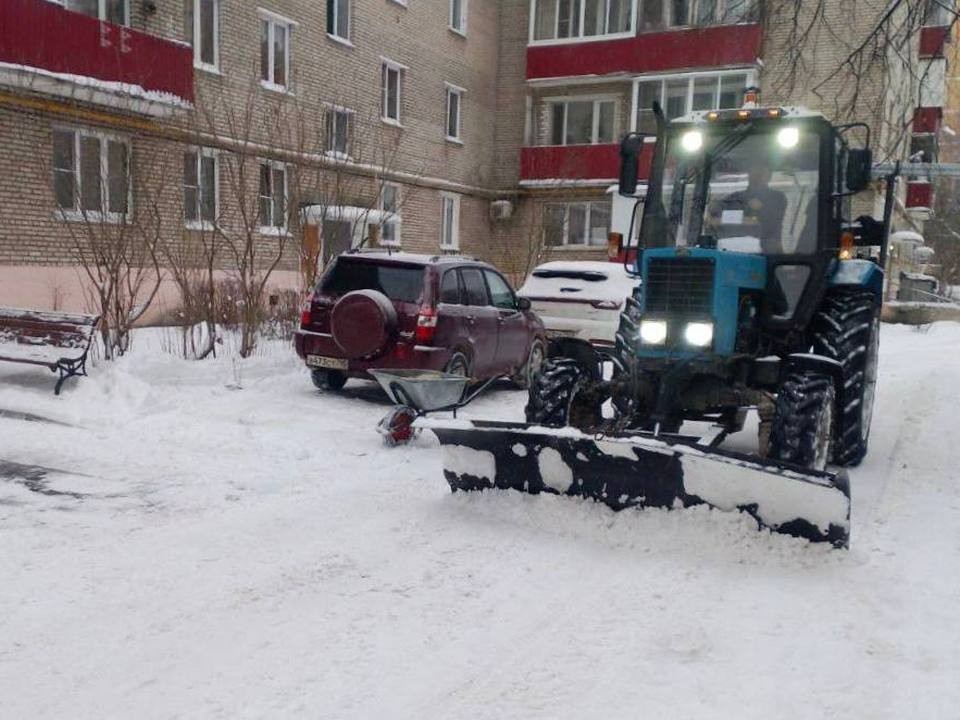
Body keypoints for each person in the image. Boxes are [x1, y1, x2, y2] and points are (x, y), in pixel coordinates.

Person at [709, 157, 788, 254]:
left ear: (769, 176)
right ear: (749, 174)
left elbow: (773, 221)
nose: (757, 174)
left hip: (767, 251)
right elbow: (714, 216)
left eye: (762, 171)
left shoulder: (777, 197)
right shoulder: (734, 197)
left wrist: (761, 210)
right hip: (733, 250)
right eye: (754, 170)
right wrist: (713, 212)